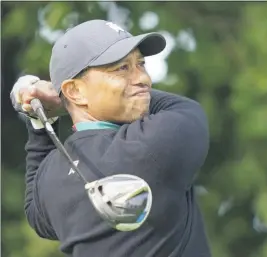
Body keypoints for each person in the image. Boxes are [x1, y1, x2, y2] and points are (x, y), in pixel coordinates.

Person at [11, 20, 211, 257]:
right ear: (75, 90)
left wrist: (43, 119)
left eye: (141, 64)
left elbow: (35, 212)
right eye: (122, 68)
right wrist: (61, 98)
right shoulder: (155, 142)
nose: (144, 79)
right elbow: (184, 108)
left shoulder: (50, 180)